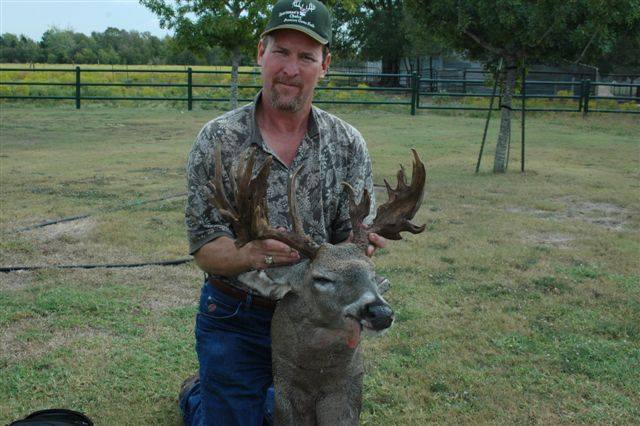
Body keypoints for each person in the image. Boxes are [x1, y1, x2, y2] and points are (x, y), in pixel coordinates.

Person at [179, 1, 386, 424]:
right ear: (261, 53)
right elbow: (205, 248)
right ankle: (198, 396)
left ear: (324, 65)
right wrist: (250, 255)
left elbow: (351, 240)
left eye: (306, 56)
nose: (291, 69)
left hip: (318, 318)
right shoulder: (218, 140)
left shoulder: (347, 144)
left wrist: (358, 248)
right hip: (237, 314)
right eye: (281, 52)